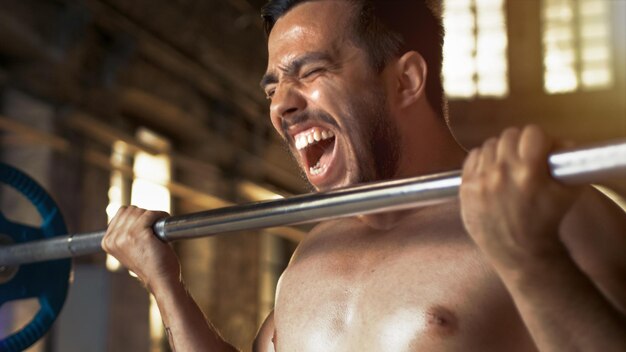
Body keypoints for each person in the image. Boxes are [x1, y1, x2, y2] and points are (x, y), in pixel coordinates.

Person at [102, 1, 626, 351]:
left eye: (310, 72)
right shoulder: (315, 252)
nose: (282, 104)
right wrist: (163, 282)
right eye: (272, 87)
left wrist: (530, 260)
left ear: (406, 80)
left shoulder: (557, 213)